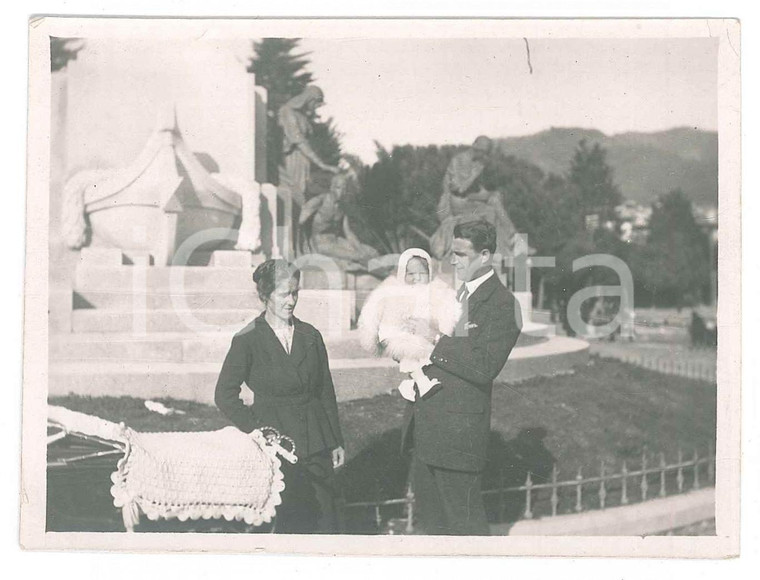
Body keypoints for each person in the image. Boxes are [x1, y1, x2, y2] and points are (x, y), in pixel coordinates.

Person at [401, 220, 523, 535]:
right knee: (433, 529)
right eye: (452, 253)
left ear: (485, 256)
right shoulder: (456, 295)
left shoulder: (502, 304)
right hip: (427, 431)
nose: (453, 260)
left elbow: (485, 365)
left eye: (461, 254)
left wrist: (435, 339)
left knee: (466, 529)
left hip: (459, 437)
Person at [214, 259, 345, 534]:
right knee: (289, 524)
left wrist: (335, 441)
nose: (292, 301)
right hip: (277, 444)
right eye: (284, 294)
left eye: (295, 293)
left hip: (315, 440)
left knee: (326, 524)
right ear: (265, 296)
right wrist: (257, 430)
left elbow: (325, 391)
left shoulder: (310, 335)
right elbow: (224, 394)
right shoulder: (247, 338)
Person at [357, 248, 461, 400]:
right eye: (411, 274)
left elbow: (448, 314)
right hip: (398, 333)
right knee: (408, 351)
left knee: (421, 354)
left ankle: (411, 384)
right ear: (402, 274)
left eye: (422, 273)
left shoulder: (437, 291)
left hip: (425, 335)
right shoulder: (394, 291)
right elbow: (379, 312)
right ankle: (421, 382)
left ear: (430, 273)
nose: (416, 278)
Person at [277, 86, 341, 257]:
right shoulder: (287, 111)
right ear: (310, 99)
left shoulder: (301, 115)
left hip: (303, 163)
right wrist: (322, 164)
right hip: (293, 161)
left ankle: (300, 245)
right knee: (295, 202)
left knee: (301, 203)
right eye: (316, 104)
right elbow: (299, 142)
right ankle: (293, 247)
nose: (316, 109)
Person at [430, 136, 516, 261]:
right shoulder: (459, 160)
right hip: (457, 202)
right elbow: (458, 189)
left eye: (485, 152)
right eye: (481, 151)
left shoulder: (477, 163)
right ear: (474, 146)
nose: (482, 154)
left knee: (495, 199)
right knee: (491, 211)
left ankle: (507, 240)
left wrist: (488, 194)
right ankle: (504, 241)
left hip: (468, 200)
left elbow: (477, 189)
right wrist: (473, 175)